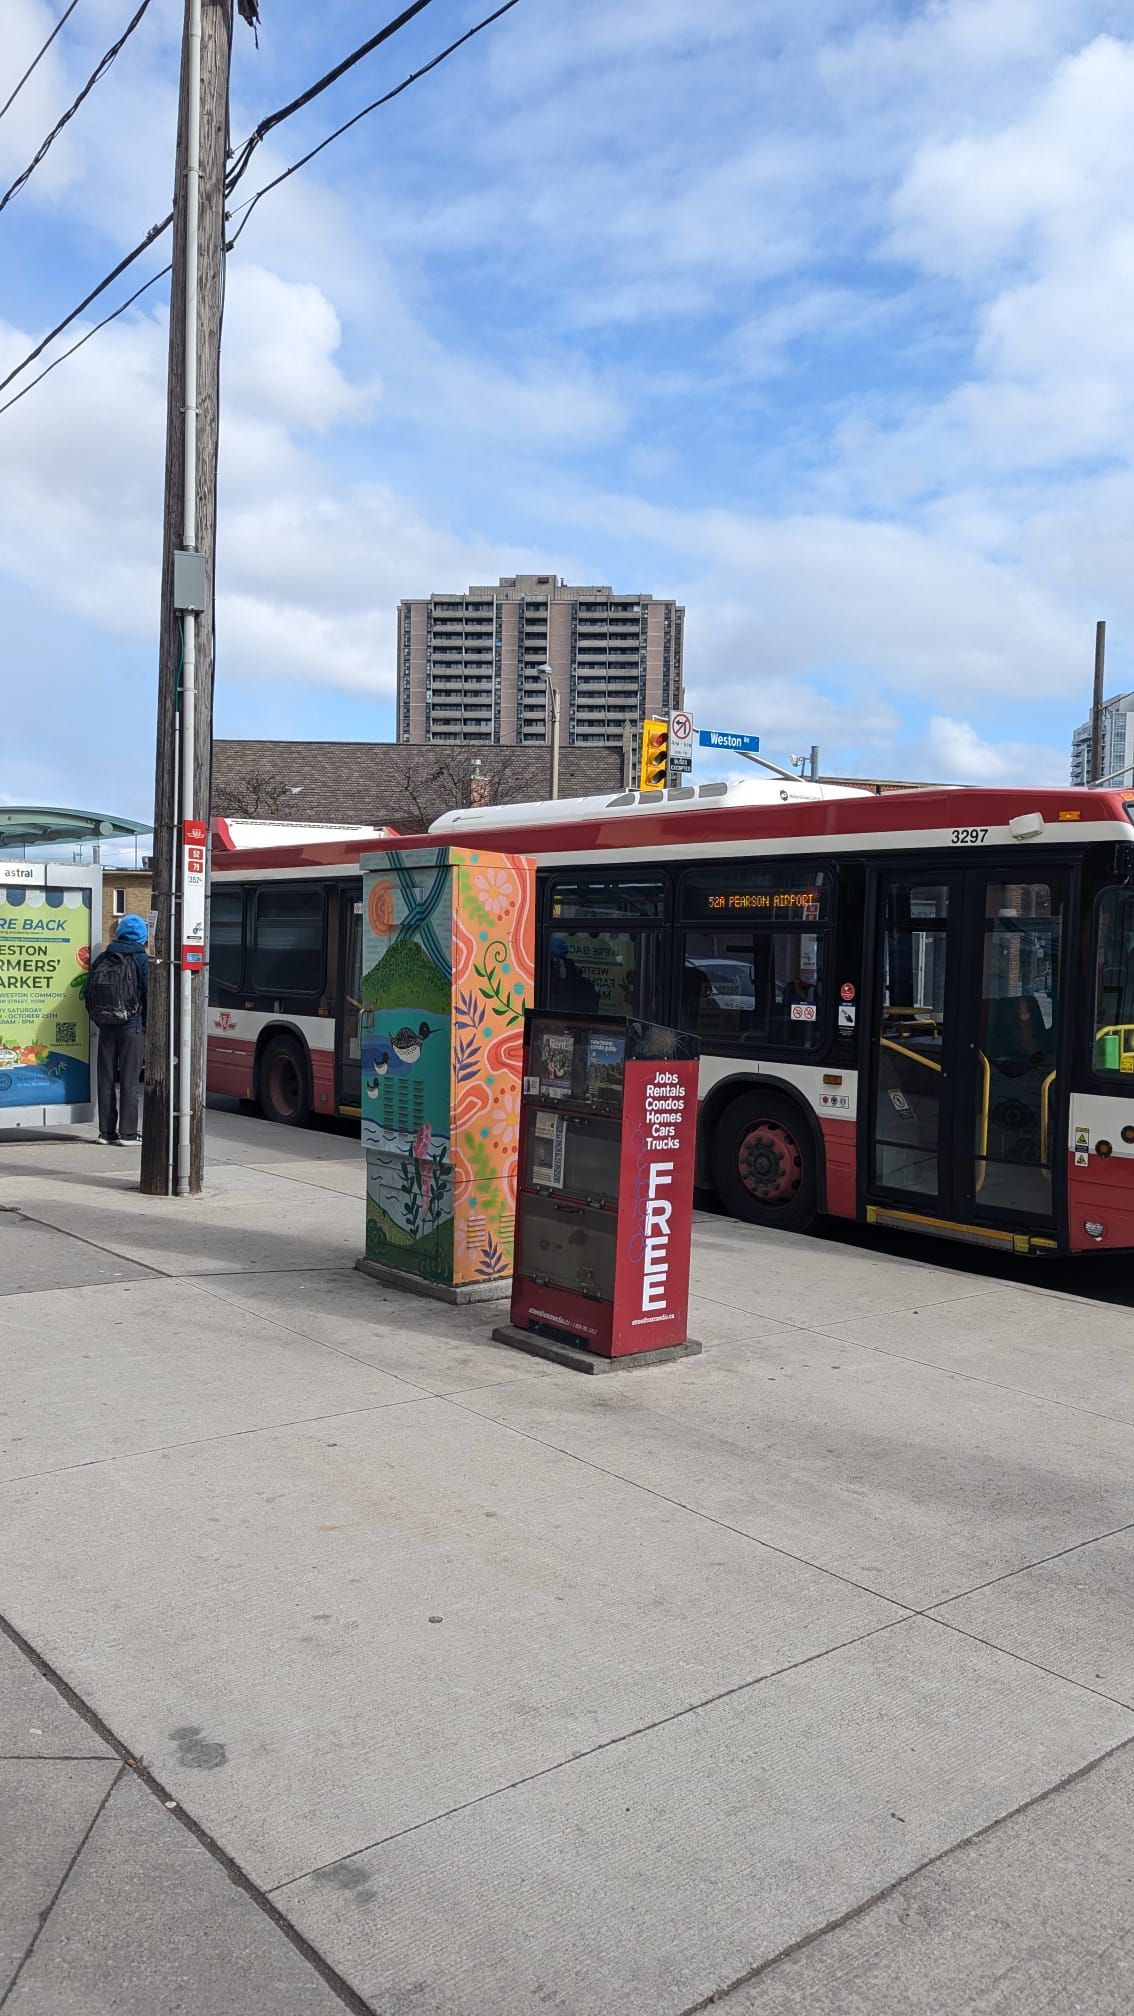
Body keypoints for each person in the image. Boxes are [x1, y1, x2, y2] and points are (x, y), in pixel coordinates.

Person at [91, 914, 149, 1145]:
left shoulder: (103, 958)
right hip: (132, 1025)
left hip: (106, 1025)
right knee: (129, 1080)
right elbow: (149, 993)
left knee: (106, 1079)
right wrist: (145, 1024)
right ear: (142, 936)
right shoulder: (141, 959)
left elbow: (89, 993)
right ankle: (128, 1133)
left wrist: (101, 1020)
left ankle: (106, 1133)